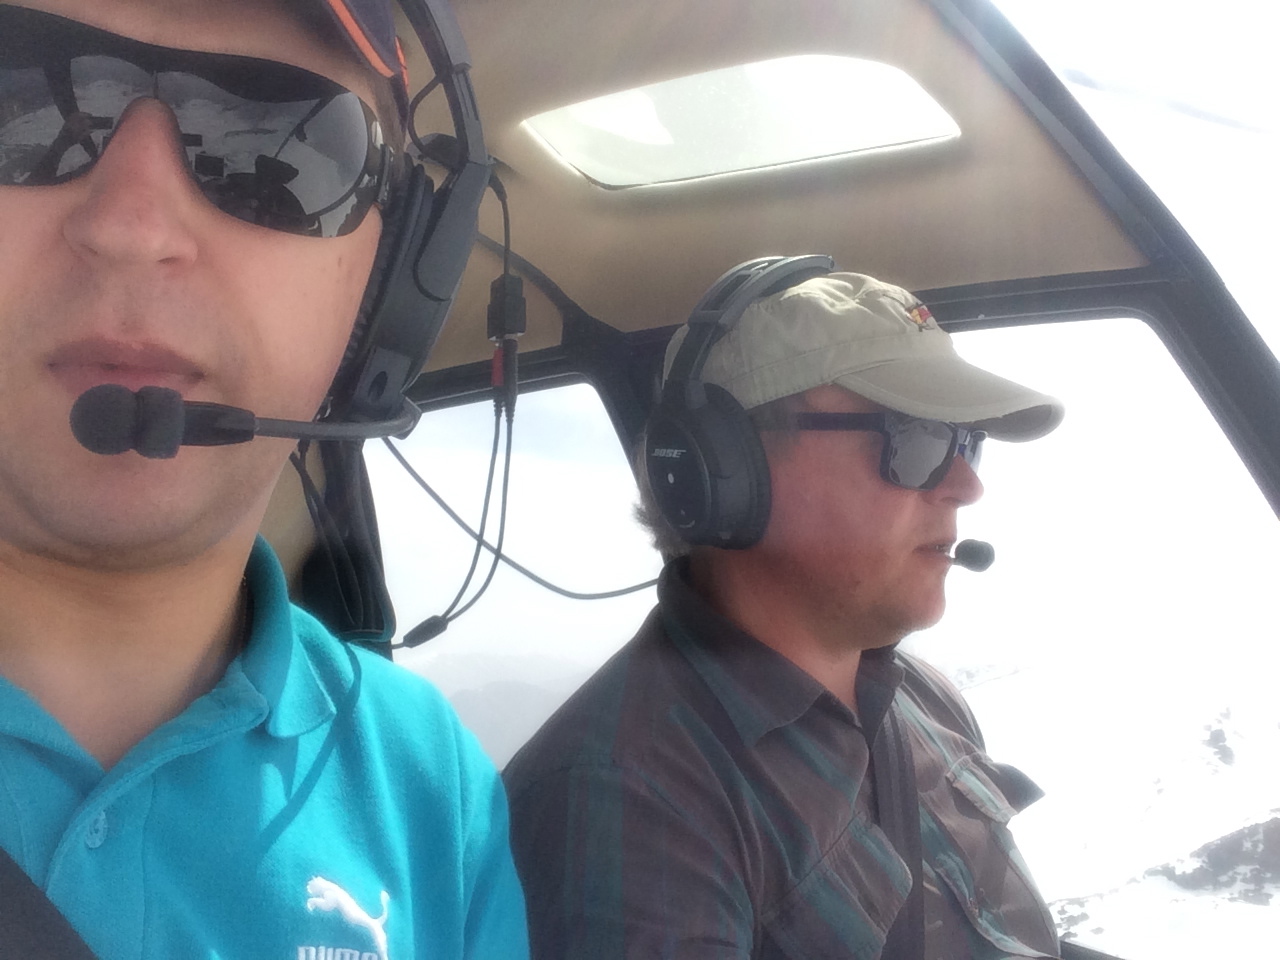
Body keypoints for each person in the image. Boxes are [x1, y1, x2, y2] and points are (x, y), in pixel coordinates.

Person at [0, 1, 528, 957]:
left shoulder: (429, 784)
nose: (131, 226)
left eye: (276, 141)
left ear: (390, 279)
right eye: (19, 100)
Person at [504, 258, 1066, 959]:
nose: (967, 485)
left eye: (966, 442)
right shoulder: (624, 801)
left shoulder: (921, 697)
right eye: (916, 439)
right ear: (726, 471)